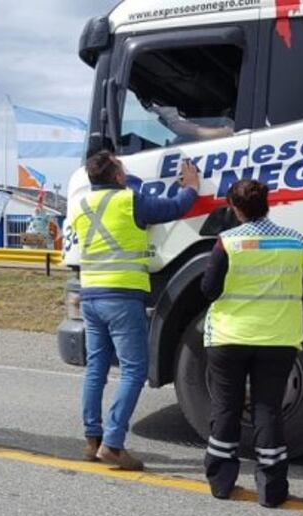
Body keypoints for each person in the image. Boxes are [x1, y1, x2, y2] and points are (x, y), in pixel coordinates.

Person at [75, 150, 200, 470]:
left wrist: (118, 172)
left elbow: (119, 186)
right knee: (133, 370)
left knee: (95, 369)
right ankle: (113, 444)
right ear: (117, 177)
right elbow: (175, 207)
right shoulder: (131, 201)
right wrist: (191, 187)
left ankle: (92, 440)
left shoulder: (81, 203)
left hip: (89, 295)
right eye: (122, 169)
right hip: (121, 295)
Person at [200, 179, 303, 507]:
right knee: (268, 409)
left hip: (229, 337)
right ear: (268, 204)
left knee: (226, 408)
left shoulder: (228, 242)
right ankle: (272, 488)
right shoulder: (297, 243)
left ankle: (221, 482)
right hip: (279, 338)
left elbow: (209, 290)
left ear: (235, 208)